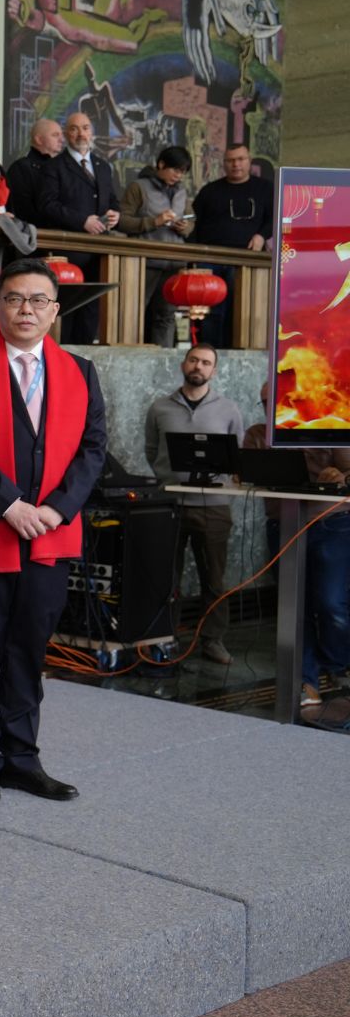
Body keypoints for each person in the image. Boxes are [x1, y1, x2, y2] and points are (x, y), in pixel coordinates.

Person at [0, 258, 106, 803]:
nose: (26, 309)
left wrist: (56, 510)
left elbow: (93, 448)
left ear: (55, 310)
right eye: (15, 299)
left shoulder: (81, 372)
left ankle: (22, 758)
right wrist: (10, 505)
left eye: (38, 300)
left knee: (29, 651)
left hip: (50, 538)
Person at [242, 382, 350, 715]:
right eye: (266, 403)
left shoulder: (328, 427)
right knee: (293, 606)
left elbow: (347, 470)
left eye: (280, 400)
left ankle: (337, 663)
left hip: (332, 522)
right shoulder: (258, 434)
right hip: (283, 524)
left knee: (330, 602)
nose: (272, 408)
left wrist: (340, 476)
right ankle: (306, 679)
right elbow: (247, 472)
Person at [142, 345, 246, 664]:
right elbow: (151, 449)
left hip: (213, 505)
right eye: (193, 360)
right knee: (164, 576)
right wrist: (167, 479)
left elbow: (236, 457)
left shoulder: (229, 409)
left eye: (205, 363)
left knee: (213, 579)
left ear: (213, 371)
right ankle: (163, 637)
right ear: (183, 364)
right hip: (168, 502)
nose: (198, 366)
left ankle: (212, 640)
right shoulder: (160, 407)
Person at [39, 112, 121, 344]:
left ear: (92, 132)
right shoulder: (54, 166)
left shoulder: (103, 166)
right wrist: (82, 220)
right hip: (68, 249)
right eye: (74, 129)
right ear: (66, 135)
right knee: (67, 307)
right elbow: (47, 205)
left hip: (99, 250)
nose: (81, 133)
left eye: (85, 128)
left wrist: (115, 214)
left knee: (92, 307)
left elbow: (112, 200)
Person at [191, 143, 276, 348]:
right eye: (230, 160)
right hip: (212, 259)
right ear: (224, 164)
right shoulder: (210, 191)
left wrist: (261, 236)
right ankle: (209, 353)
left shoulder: (265, 188)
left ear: (249, 161)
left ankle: (242, 350)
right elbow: (197, 225)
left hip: (247, 259)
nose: (236, 164)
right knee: (212, 313)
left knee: (245, 309)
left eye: (240, 159)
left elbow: (275, 218)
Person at [120, 146, 195, 345]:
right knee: (135, 313)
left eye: (183, 171)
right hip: (145, 262)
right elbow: (122, 221)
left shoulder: (181, 192)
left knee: (167, 315)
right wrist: (154, 221)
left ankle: (164, 360)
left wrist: (185, 227)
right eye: (175, 169)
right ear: (161, 164)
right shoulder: (139, 187)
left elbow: (191, 220)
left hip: (175, 263)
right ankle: (133, 354)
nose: (178, 175)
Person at [6, 119, 64, 236]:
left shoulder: (64, 168)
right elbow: (22, 210)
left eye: (61, 135)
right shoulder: (21, 168)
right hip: (35, 237)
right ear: (38, 139)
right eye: (55, 135)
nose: (61, 140)